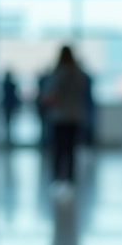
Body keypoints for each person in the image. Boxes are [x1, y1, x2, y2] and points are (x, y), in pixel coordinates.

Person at [42, 46, 87, 183]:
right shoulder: (78, 74)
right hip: (75, 116)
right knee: (71, 150)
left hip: (60, 117)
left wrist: (44, 101)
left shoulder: (59, 73)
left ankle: (57, 178)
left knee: (58, 150)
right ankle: (70, 179)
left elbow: (53, 96)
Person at [1, 70, 19, 147]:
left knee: (8, 122)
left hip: (7, 105)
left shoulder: (5, 85)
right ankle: (9, 138)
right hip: (11, 105)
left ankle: (9, 138)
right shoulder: (12, 85)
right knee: (10, 122)